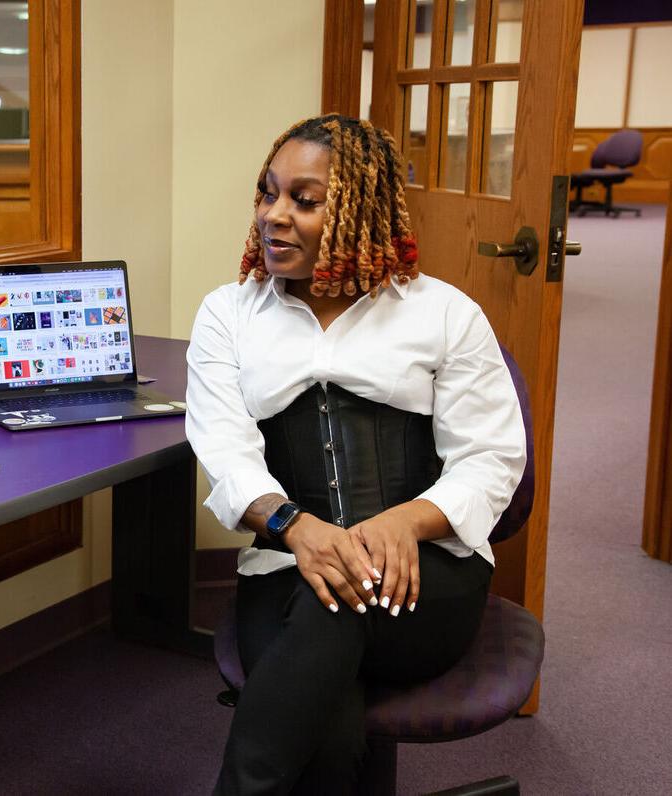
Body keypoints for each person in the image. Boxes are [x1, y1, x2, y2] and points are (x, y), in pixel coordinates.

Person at [184, 114, 526, 794]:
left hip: (426, 579)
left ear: (358, 212)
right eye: (267, 192)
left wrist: (405, 521)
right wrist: (295, 528)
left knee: (338, 600)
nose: (273, 216)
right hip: (283, 570)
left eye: (304, 200)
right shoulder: (229, 313)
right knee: (328, 729)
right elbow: (223, 446)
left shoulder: (443, 314)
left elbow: (491, 459)